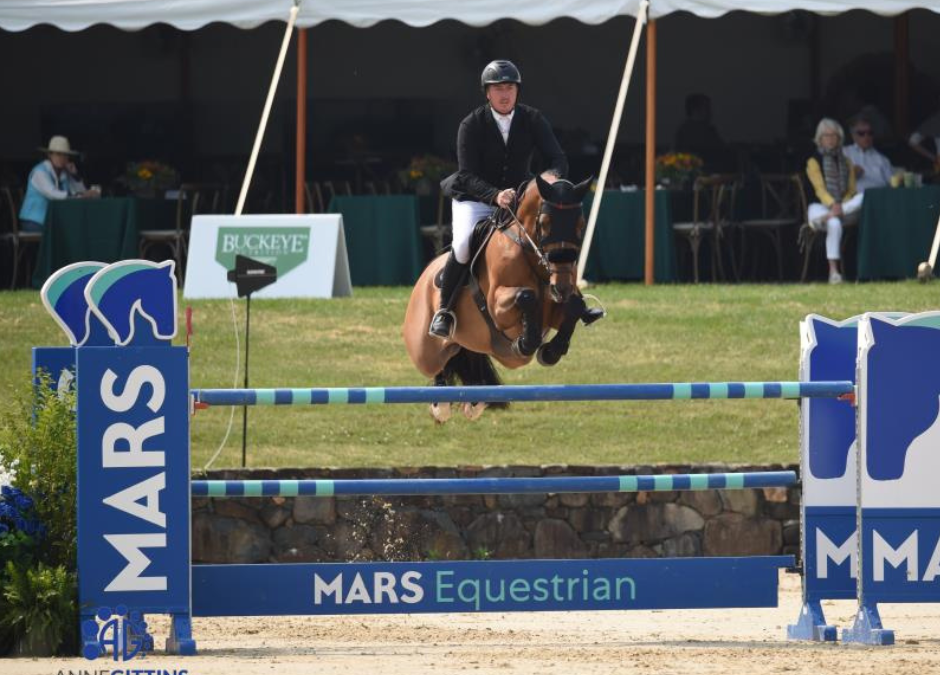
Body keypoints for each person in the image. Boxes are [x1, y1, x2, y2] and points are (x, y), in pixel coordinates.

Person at [431, 59, 601, 339]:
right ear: (487, 93)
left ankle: (575, 302)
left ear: (517, 91)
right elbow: (467, 174)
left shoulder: (532, 118)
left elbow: (557, 159)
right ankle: (444, 310)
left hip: (518, 199)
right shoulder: (471, 124)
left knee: (545, 238)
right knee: (462, 244)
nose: (504, 93)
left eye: (509, 87)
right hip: (474, 198)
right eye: (498, 88)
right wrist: (495, 195)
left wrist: (548, 178)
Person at [805, 118, 863, 284]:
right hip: (821, 206)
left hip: (843, 207)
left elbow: (852, 190)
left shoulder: (846, 161)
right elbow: (819, 189)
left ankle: (830, 216)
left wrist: (840, 207)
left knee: (863, 197)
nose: (830, 139)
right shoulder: (813, 160)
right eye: (826, 136)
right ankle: (834, 272)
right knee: (834, 224)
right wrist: (832, 204)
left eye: (833, 135)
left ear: (839, 138)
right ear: (820, 139)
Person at [19, 136, 98, 232]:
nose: (62, 158)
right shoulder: (39, 172)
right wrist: (81, 195)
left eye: (65, 155)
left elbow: (81, 192)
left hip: (53, 222)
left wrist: (75, 175)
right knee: (70, 232)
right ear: (50, 155)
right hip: (34, 222)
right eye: (58, 154)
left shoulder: (65, 173)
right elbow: (54, 195)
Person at [673, 93, 725, 170]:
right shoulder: (691, 131)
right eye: (706, 108)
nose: (710, 112)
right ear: (696, 110)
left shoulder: (706, 129)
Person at [843, 116, 894, 193]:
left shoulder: (882, 159)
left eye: (870, 133)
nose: (866, 136)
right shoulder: (844, 153)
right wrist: (851, 175)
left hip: (879, 197)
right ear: (853, 135)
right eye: (861, 133)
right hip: (854, 198)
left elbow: (892, 184)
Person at [908, 99, 940, 171]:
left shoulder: (935, 120)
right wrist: (933, 158)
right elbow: (912, 141)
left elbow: (912, 141)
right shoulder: (936, 120)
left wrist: (934, 158)